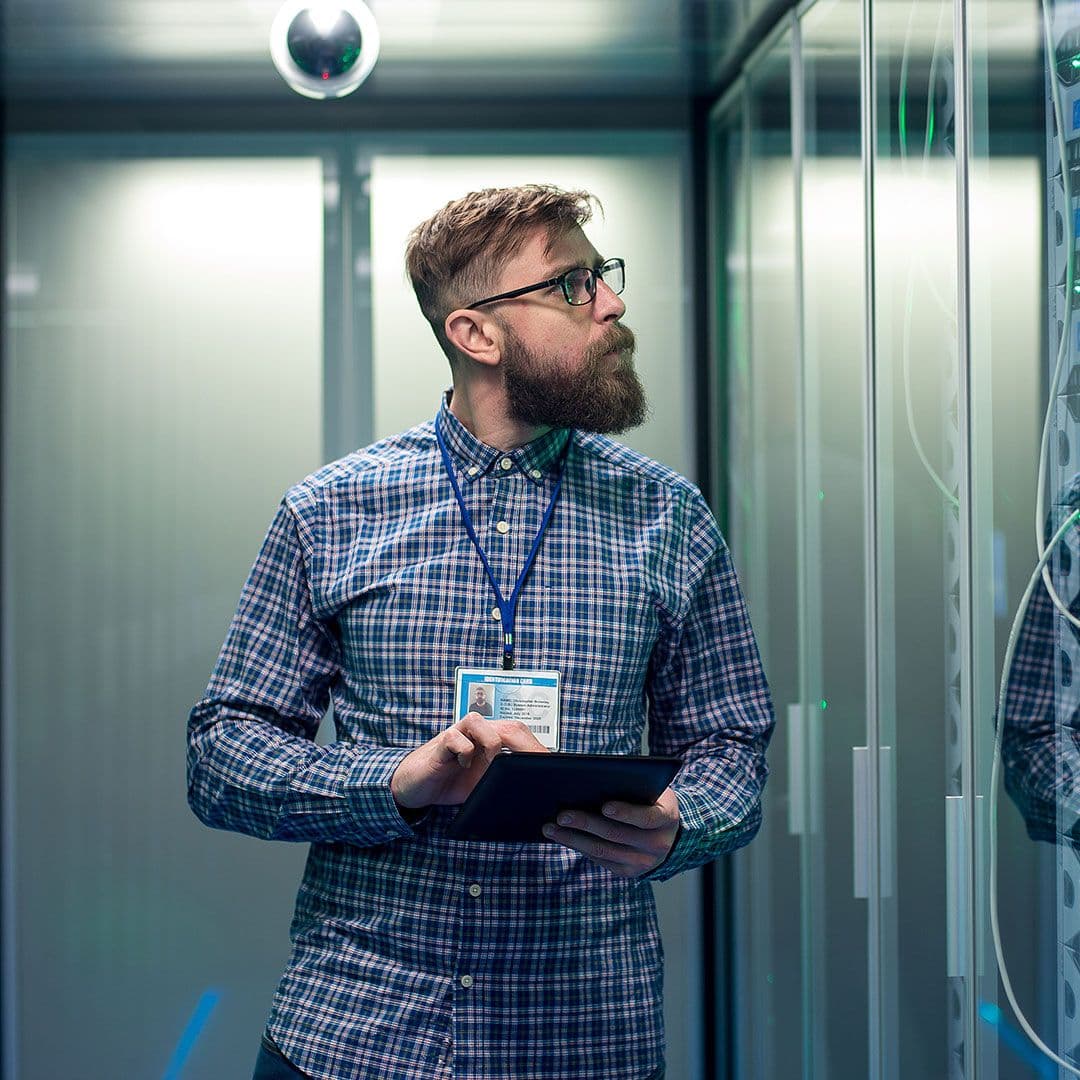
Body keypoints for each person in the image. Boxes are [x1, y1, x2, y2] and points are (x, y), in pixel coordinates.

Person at [187, 183, 775, 1080]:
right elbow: (222, 757)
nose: (611, 303)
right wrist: (392, 781)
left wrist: (680, 822)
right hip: (357, 1036)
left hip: (586, 1038)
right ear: (476, 334)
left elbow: (732, 746)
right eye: (573, 284)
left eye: (603, 276)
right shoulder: (332, 511)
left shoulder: (668, 516)